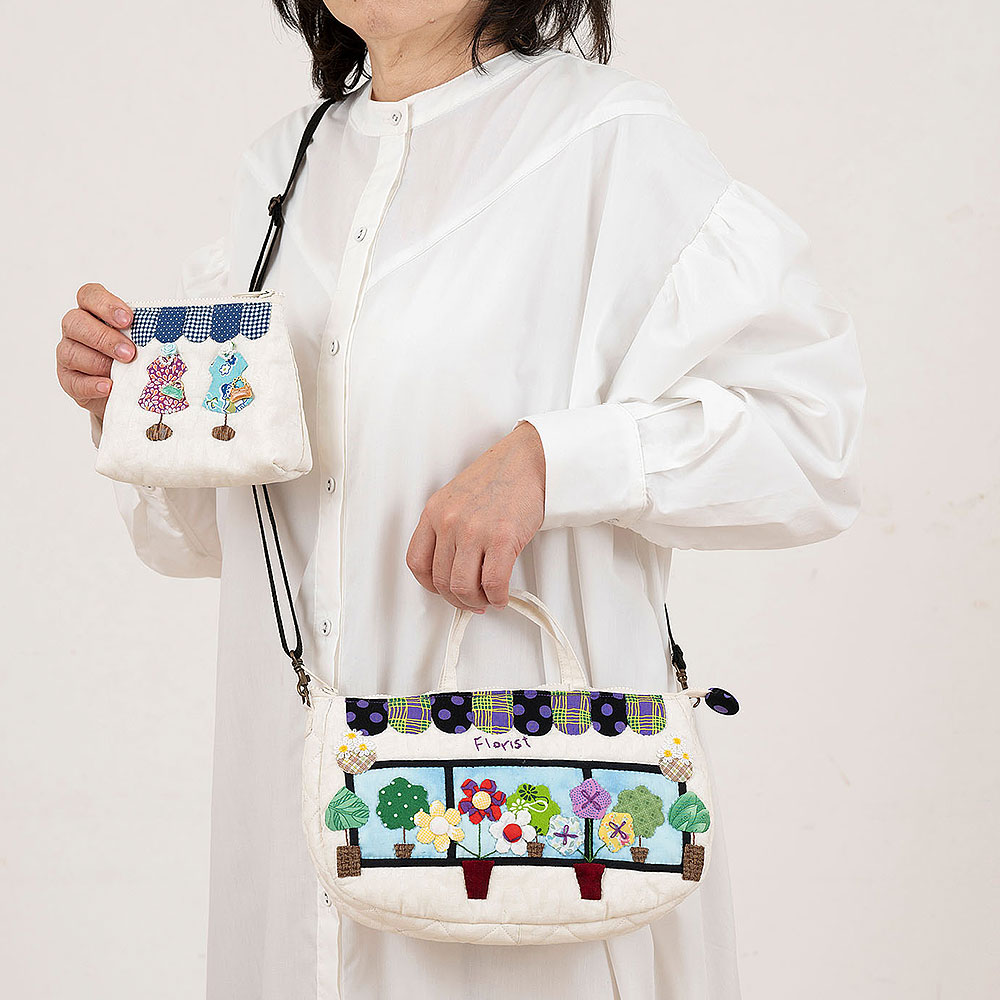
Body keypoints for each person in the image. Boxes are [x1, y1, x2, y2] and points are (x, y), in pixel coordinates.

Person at [56, 2, 865, 997]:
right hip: (300, 835)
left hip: (540, 834)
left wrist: (551, 462)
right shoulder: (280, 175)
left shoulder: (608, 145)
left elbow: (810, 436)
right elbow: (219, 534)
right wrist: (137, 409)